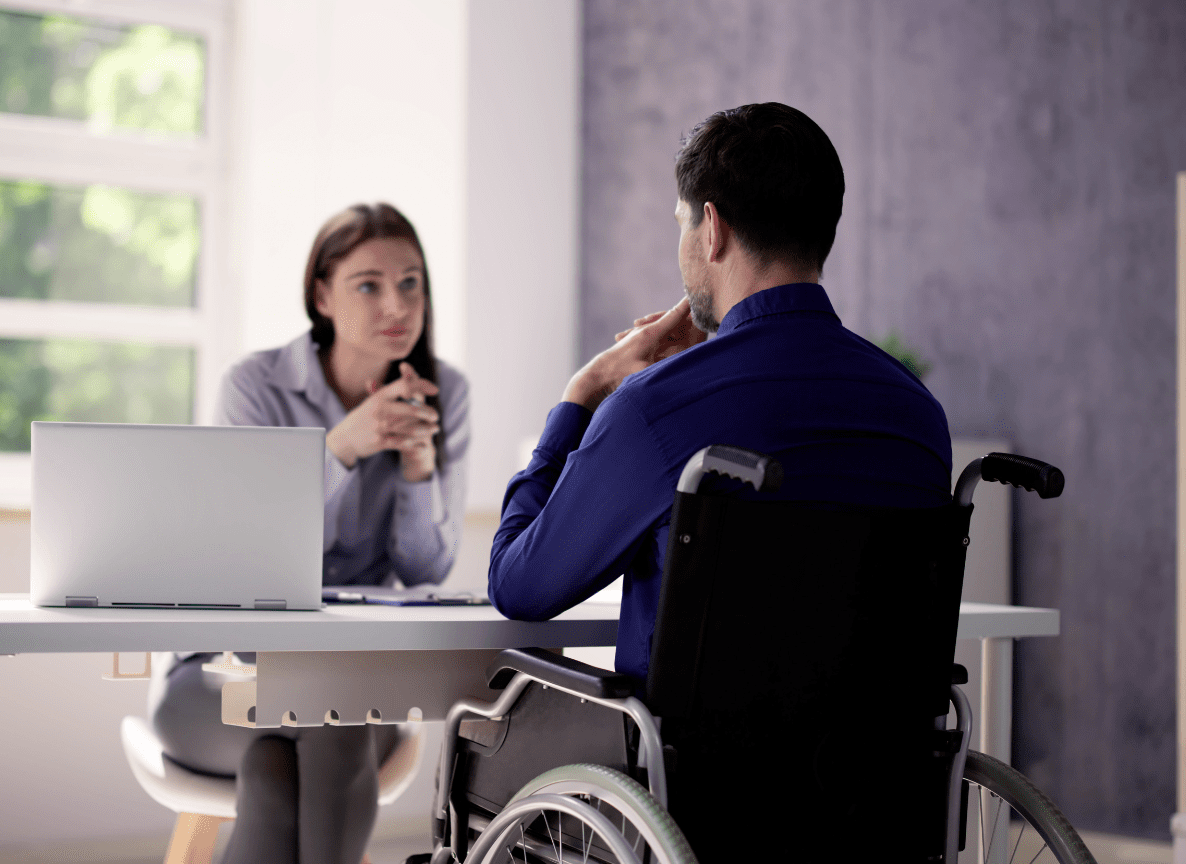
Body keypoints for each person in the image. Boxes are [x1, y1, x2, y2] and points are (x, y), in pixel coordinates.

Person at [488, 102, 953, 685]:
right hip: (874, 771)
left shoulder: (654, 410)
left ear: (712, 229)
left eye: (681, 222)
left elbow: (518, 584)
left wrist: (584, 393)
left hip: (699, 772)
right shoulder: (918, 414)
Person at [154, 202, 469, 864]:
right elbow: (242, 554)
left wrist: (418, 472)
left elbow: (424, 573)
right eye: (369, 285)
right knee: (323, 726)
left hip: (353, 679)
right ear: (322, 295)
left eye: (412, 282)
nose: (398, 304)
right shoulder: (255, 387)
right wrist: (342, 449)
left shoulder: (446, 393)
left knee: (297, 752)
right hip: (218, 671)